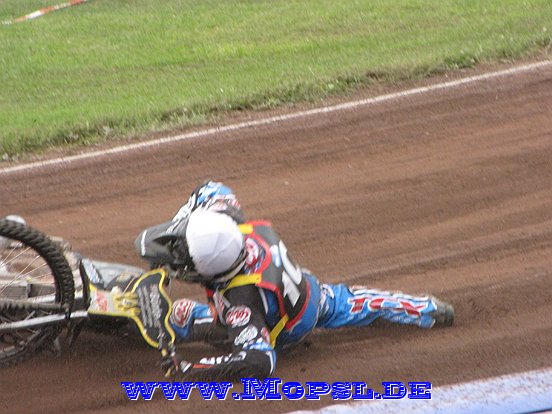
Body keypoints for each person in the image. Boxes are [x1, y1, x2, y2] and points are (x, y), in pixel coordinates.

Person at [145, 181, 454, 381]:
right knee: (357, 302)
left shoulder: (242, 308)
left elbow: (260, 361)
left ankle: (141, 322)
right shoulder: (230, 227)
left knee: (181, 316)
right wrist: (182, 223)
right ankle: (426, 309)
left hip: (282, 330)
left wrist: (193, 371)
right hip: (310, 293)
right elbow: (214, 189)